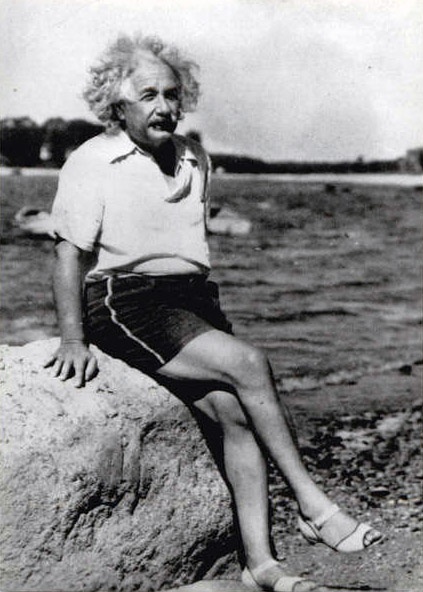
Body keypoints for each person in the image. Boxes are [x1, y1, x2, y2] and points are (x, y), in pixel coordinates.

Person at [45, 33, 383, 592]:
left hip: (194, 300)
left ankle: (261, 566)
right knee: (250, 363)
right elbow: (67, 255)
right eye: (148, 95)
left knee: (234, 413)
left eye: (172, 94)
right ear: (117, 105)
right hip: (126, 302)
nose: (164, 106)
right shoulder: (92, 161)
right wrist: (73, 339)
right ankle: (314, 506)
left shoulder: (194, 158)